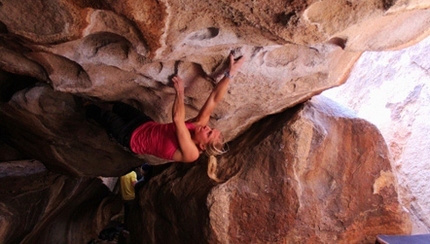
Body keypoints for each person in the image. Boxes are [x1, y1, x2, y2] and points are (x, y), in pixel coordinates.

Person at [85, 53, 245, 165]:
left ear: (202, 146)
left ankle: (85, 107)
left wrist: (180, 92)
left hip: (131, 138)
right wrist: (230, 74)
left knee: (104, 116)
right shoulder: (199, 126)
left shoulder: (191, 153)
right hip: (145, 125)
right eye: (211, 129)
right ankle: (95, 101)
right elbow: (214, 98)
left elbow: (177, 120)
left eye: (208, 133)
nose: (207, 127)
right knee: (119, 107)